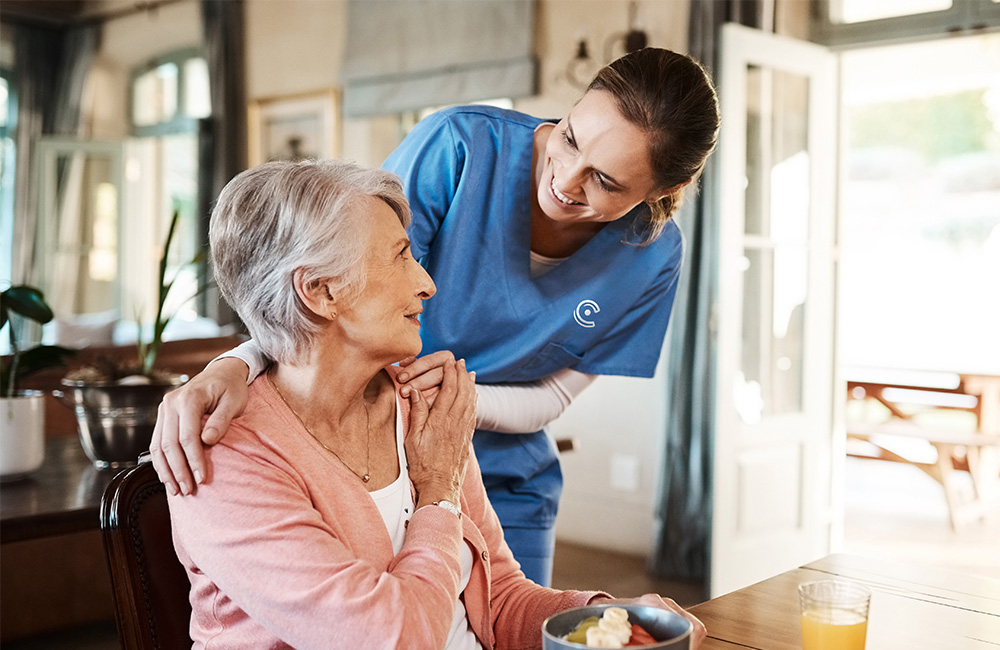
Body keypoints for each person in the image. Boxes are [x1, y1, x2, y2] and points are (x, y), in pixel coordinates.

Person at [153, 47, 721, 587]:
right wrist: (237, 362)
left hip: (505, 474)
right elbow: (328, 282)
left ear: (665, 190)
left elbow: (555, 398)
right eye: (570, 138)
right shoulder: (459, 147)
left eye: (605, 181)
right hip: (374, 451)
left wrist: (455, 408)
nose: (566, 180)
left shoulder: (652, 257)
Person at [166, 158, 706, 649]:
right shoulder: (223, 456)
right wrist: (439, 495)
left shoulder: (420, 407)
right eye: (401, 256)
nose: (427, 284)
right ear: (322, 293)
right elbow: (392, 639)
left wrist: (607, 618)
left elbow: (497, 600)